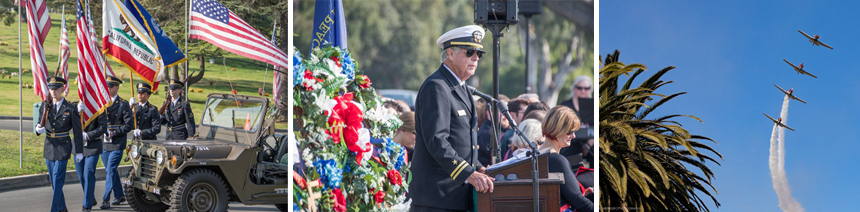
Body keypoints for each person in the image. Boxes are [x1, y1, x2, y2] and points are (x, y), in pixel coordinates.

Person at [411, 25, 494, 212]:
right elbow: (437, 140)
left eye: (478, 54)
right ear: (450, 53)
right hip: (436, 197)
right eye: (469, 52)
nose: (475, 58)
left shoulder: (461, 87)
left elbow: (461, 141)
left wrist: (479, 168)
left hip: (455, 196)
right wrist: (468, 173)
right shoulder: (437, 86)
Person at [35, 76, 83, 212]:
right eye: (51, 89)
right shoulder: (45, 106)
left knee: (57, 180)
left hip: (63, 147)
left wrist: (79, 151)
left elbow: (77, 132)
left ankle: (54, 209)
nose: (53, 91)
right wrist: (38, 129)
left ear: (63, 89)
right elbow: (40, 125)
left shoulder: (71, 108)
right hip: (49, 147)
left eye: (56, 89)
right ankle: (62, 208)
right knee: (54, 183)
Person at [540, 106, 594, 212]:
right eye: (569, 132)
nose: (573, 136)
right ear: (557, 130)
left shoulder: (537, 156)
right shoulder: (556, 159)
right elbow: (578, 201)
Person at [100, 76, 132, 209]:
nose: (108, 89)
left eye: (111, 86)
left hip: (117, 141)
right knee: (110, 170)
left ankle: (105, 198)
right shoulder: (102, 102)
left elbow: (128, 125)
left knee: (111, 169)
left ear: (117, 87)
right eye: (107, 86)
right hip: (105, 142)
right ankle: (119, 195)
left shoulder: (123, 104)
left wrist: (115, 132)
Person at [75, 103, 107, 212]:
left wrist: (88, 135)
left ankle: (87, 205)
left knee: (88, 173)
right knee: (80, 175)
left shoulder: (99, 108)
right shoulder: (76, 106)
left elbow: (103, 127)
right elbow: (66, 123)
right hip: (78, 146)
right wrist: (76, 112)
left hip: (93, 145)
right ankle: (90, 197)